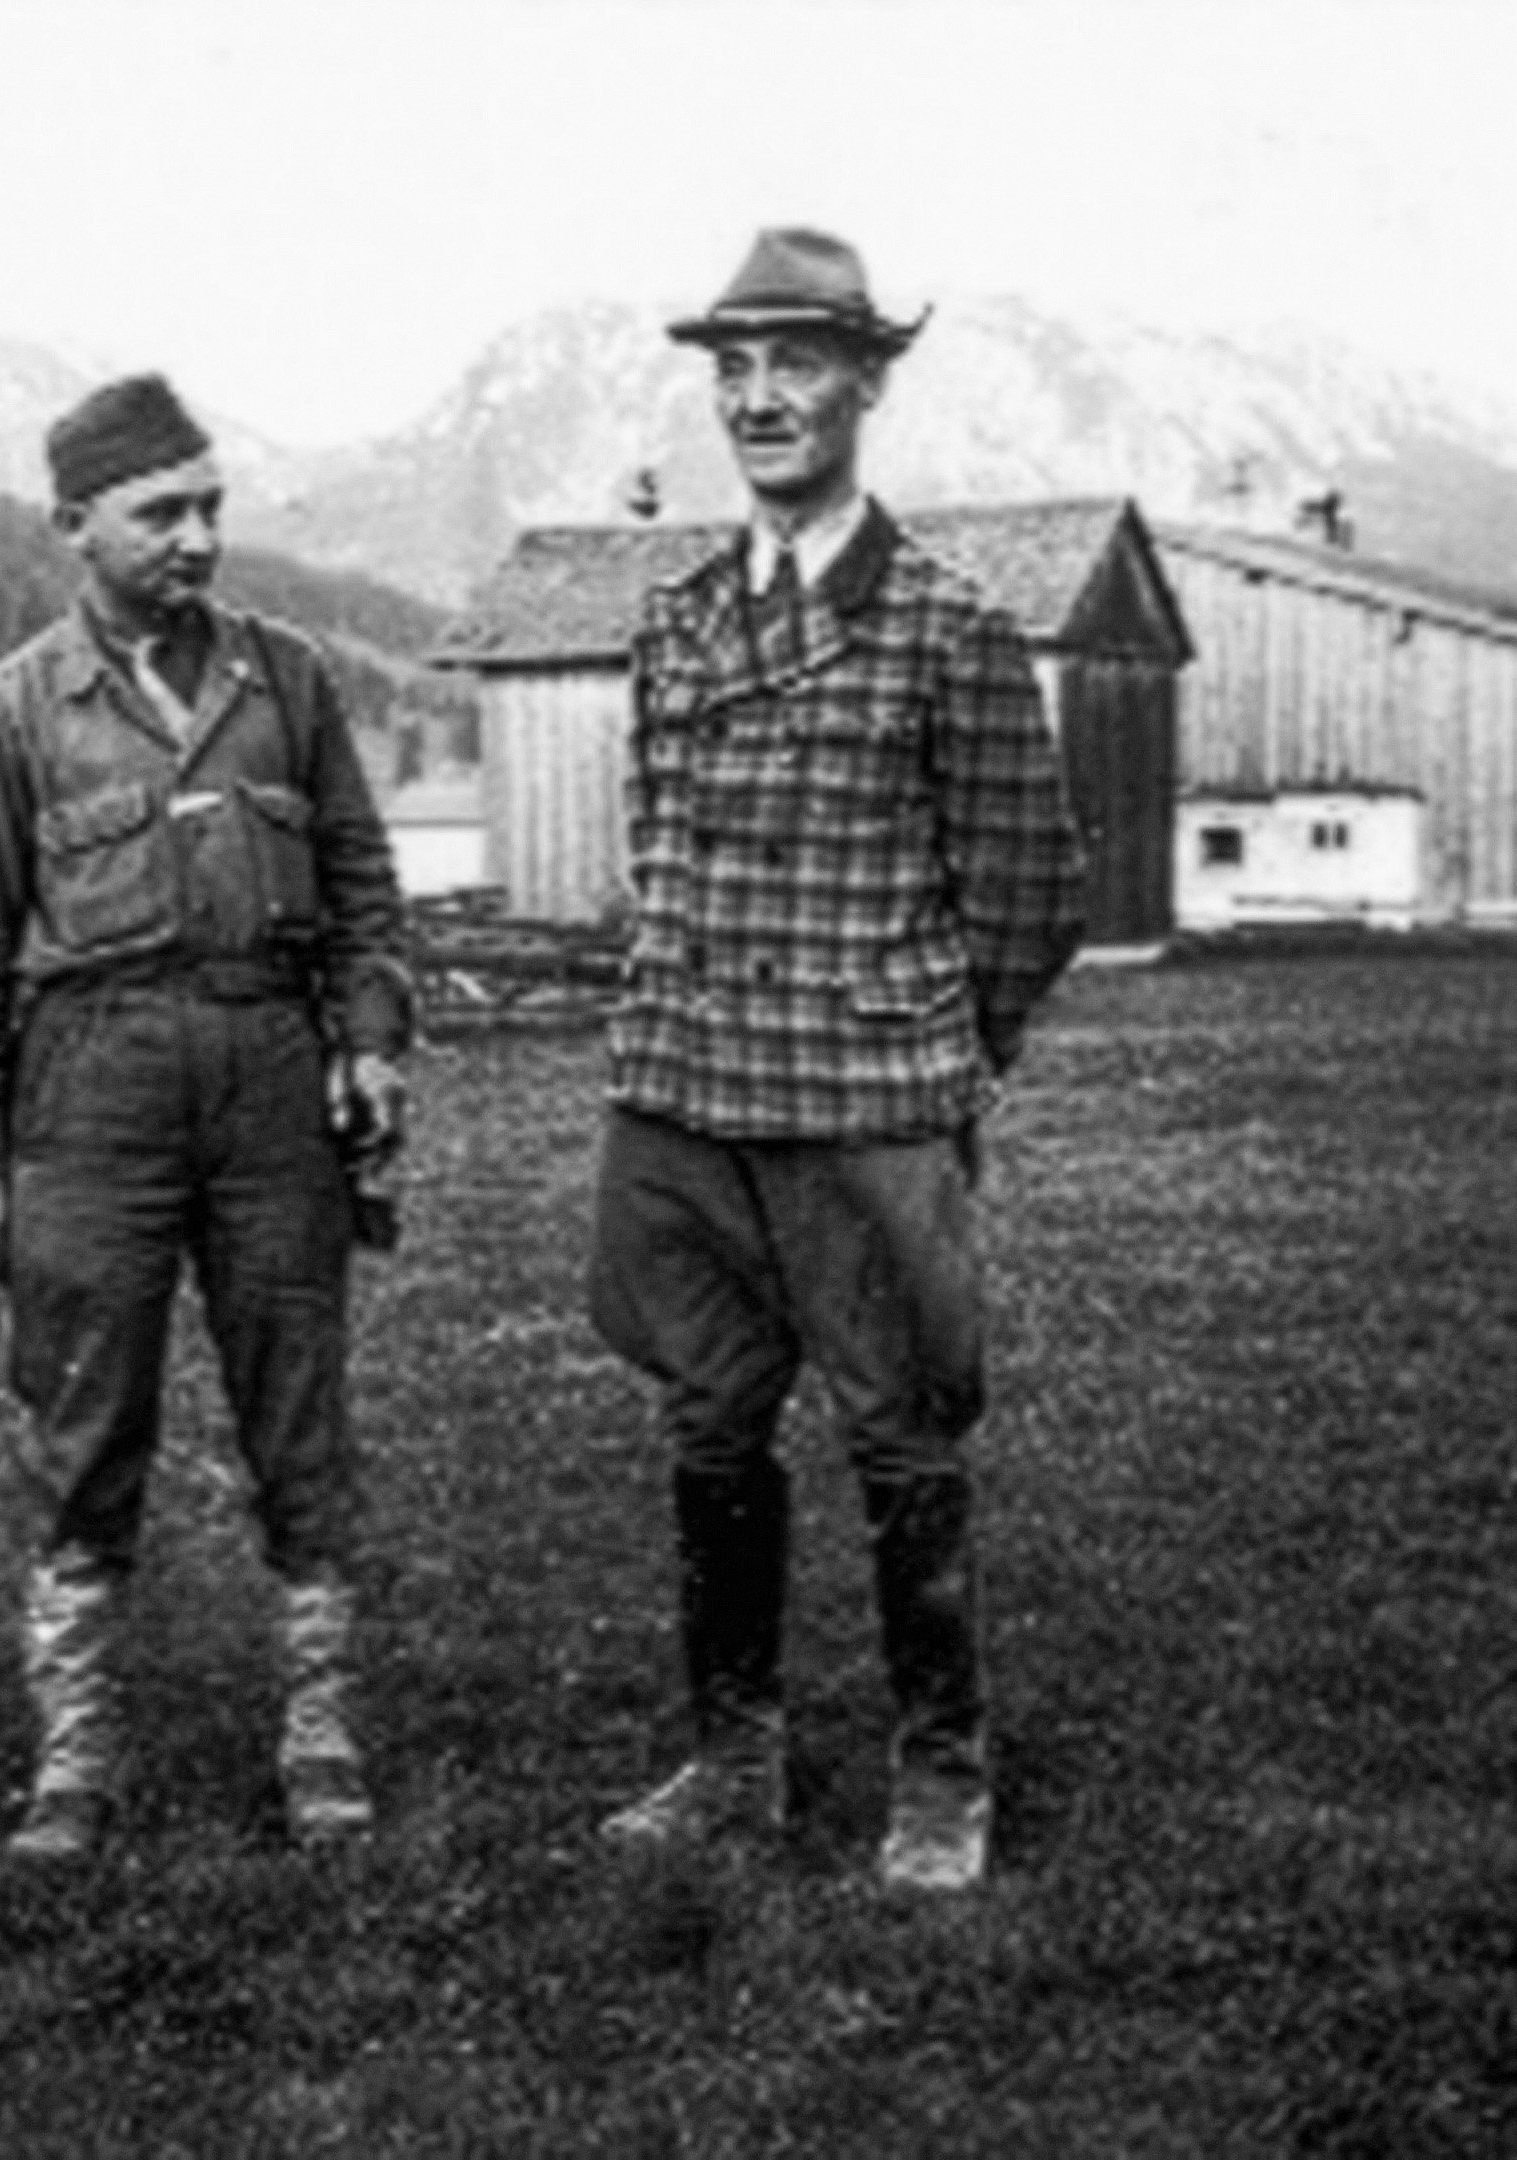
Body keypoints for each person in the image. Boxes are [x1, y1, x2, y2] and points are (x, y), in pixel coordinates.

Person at [586, 232, 1086, 1890]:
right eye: (732, 370)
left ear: (867, 383)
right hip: (682, 1103)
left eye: (795, 363)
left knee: (903, 1439)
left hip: (865, 1109)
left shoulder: (948, 626)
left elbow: (1029, 892)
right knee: (708, 1431)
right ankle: (735, 1760)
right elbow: (661, 851)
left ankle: (942, 1773)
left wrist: (926, 1057)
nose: (758, 399)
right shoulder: (675, 622)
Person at [0, 374, 414, 1859]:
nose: (197, 538)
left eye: (210, 508)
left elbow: (366, 893)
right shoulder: (14, 711)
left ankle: (320, 1732)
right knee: (82, 1418)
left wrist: (370, 1040)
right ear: (74, 525)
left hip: (270, 1082)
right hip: (90, 1092)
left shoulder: (289, 681)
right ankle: (74, 1753)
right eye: (160, 513)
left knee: (298, 1413)